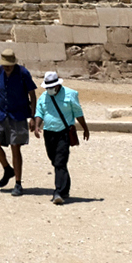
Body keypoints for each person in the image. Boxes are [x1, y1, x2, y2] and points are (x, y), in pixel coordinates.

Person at [0, 45, 36, 194]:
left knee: (15, 147)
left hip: (18, 115)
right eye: (5, 65)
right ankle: (7, 169)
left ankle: (18, 183)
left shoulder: (23, 73)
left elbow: (33, 96)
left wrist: (33, 117)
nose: (7, 68)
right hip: (1, 114)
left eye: (9, 66)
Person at [33, 68, 88, 205]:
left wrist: (85, 128)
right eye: (48, 87)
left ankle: (58, 192)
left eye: (52, 86)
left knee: (60, 161)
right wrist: (36, 126)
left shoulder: (70, 94)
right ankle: (65, 189)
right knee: (55, 161)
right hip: (49, 133)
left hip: (64, 132)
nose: (50, 89)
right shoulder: (44, 97)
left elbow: (78, 113)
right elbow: (39, 112)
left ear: (57, 84)